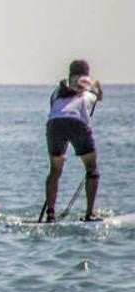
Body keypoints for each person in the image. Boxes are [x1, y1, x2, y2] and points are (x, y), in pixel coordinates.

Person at [43, 59, 103, 222]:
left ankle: (50, 214)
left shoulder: (56, 91)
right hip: (77, 124)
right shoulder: (89, 92)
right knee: (92, 170)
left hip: (54, 124)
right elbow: (99, 96)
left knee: (55, 171)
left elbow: (56, 109)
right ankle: (89, 214)